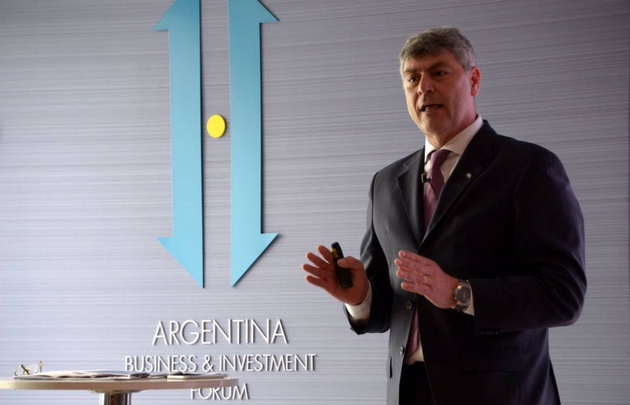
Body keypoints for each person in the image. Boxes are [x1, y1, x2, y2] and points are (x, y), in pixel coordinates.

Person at [301, 27, 586, 405]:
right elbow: (390, 308)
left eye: (439, 73)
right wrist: (360, 298)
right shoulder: (385, 182)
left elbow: (562, 296)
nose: (424, 87)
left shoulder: (529, 167)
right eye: (412, 78)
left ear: (474, 80)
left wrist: (457, 293)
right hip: (408, 392)